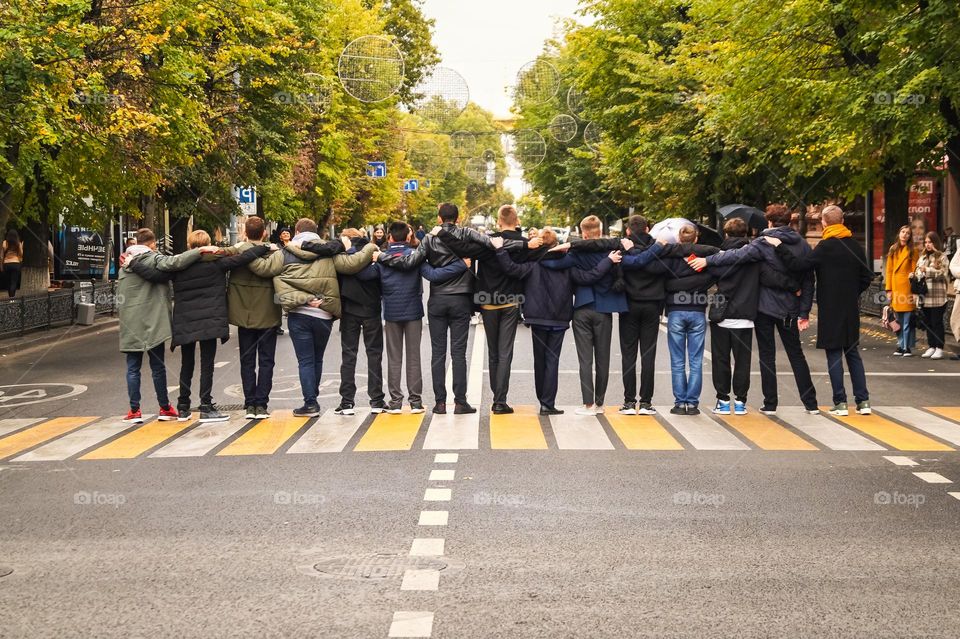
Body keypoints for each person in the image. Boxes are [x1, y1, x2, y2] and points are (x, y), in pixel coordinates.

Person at [129, 229, 270, 422]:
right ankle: (206, 406)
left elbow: (154, 275)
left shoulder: (177, 266)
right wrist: (265, 247)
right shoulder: (218, 264)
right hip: (210, 321)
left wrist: (133, 263)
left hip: (185, 321)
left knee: (187, 364)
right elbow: (243, 259)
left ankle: (183, 406)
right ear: (209, 245)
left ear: (189, 246)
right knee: (207, 364)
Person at [691, 204, 818, 415]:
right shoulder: (803, 245)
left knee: (767, 356)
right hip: (790, 309)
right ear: (789, 221)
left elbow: (735, 256)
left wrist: (707, 260)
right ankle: (810, 403)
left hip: (765, 309)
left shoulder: (762, 243)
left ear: (769, 222)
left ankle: (770, 404)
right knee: (796, 354)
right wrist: (804, 311)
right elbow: (808, 279)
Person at [248, 218, 376, 417]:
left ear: (297, 231)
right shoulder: (329, 250)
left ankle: (311, 403)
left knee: (305, 361)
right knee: (317, 360)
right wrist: (370, 247)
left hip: (299, 314)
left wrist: (246, 249)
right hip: (324, 313)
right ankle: (312, 397)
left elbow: (263, 269)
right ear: (316, 231)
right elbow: (352, 265)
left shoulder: (284, 252)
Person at [492, 230, 621, 415]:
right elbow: (589, 277)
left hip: (537, 318)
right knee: (552, 360)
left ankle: (542, 399)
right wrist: (608, 261)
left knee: (540, 360)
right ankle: (548, 404)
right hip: (559, 319)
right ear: (556, 245)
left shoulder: (533, 265)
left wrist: (500, 250)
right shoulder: (568, 267)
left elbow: (511, 268)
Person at [432, 204, 544, 414]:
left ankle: (497, 396)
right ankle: (500, 401)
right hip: (511, 300)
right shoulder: (524, 243)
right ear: (517, 220)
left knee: (493, 353)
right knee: (505, 352)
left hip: (487, 301)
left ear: (499, 221)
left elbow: (463, 249)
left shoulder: (488, 242)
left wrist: (442, 233)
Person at [378, 203, 487, 415]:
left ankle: (439, 403)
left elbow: (410, 263)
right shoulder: (467, 235)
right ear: (458, 217)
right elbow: (489, 245)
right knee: (458, 352)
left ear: (439, 218)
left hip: (437, 301)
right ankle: (461, 402)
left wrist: (382, 256)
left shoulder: (429, 239)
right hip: (461, 300)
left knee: (438, 353)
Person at [767, 205, 874, 416]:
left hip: (829, 307)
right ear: (842, 221)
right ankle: (863, 402)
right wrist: (853, 292)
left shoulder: (824, 247)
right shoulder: (855, 246)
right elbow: (867, 276)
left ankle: (840, 402)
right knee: (853, 354)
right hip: (850, 308)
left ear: (824, 223)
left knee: (834, 354)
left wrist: (779, 246)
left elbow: (799, 266)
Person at [358, 221, 469, 413]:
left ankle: (395, 401)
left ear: (389, 237)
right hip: (413, 313)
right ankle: (415, 401)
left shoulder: (381, 259)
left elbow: (363, 275)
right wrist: (461, 265)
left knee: (394, 358)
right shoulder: (416, 257)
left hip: (391, 313)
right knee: (414, 357)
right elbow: (434, 275)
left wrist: (362, 252)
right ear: (408, 237)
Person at [228, 217, 323, 419]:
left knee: (246, 361)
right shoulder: (275, 253)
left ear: (245, 232)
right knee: (266, 361)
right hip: (269, 313)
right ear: (264, 233)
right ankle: (261, 404)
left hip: (243, 315)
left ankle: (250, 404)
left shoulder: (237, 252)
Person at [118, 228, 211, 423]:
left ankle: (134, 410)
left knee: (132, 368)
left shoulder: (123, 266)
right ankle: (164, 407)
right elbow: (175, 263)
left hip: (131, 323)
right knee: (157, 367)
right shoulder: (153, 259)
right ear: (152, 244)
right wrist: (199, 251)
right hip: (153, 321)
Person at [541, 215, 628, 415]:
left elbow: (549, 263)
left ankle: (587, 404)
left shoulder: (575, 254)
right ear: (599, 230)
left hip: (582, 307)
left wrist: (558, 249)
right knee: (603, 358)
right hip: (605, 309)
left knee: (585, 360)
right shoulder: (612, 251)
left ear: (583, 232)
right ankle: (599, 404)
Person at [329, 228, 387, 415]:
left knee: (349, 355)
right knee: (374, 354)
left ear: (347, 239)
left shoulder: (342, 257)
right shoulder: (374, 254)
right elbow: (380, 278)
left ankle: (347, 402)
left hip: (349, 310)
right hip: (372, 310)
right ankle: (377, 400)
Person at [912, 232, 950, 360]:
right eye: (926, 242)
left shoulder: (941, 257)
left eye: (930, 242)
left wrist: (927, 270)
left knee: (936, 322)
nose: (928, 245)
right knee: (927, 322)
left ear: (935, 242)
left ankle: (939, 347)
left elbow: (943, 274)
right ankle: (931, 346)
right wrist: (915, 275)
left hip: (938, 296)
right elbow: (917, 271)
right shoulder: (922, 257)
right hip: (925, 295)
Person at [885, 225, 918, 356]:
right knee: (897, 320)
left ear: (910, 236)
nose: (904, 235)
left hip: (907, 289)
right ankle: (900, 345)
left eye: (907, 233)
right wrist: (888, 289)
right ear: (899, 233)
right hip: (895, 288)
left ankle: (907, 347)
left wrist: (915, 291)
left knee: (907, 320)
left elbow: (915, 272)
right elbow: (888, 271)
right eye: (902, 232)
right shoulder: (893, 249)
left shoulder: (913, 250)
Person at [2, 230, 23, 298]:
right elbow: (21, 254)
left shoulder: (4, 243)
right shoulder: (18, 243)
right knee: (14, 282)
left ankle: (10, 296)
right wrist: (19, 259)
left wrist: (1, 265)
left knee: (8, 282)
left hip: (6, 264)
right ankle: (12, 298)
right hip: (15, 263)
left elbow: (1, 256)